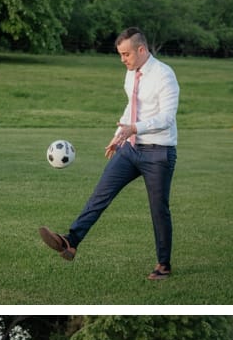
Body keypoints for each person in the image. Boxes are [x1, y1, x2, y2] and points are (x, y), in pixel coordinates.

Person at [40, 28, 180, 282]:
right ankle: (70, 242)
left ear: (141, 49)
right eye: (120, 55)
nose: (122, 59)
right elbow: (132, 105)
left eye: (126, 54)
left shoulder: (164, 75)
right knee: (100, 195)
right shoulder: (130, 75)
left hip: (158, 153)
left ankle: (163, 265)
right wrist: (119, 136)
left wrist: (134, 129)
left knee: (158, 210)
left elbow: (166, 118)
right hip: (131, 150)